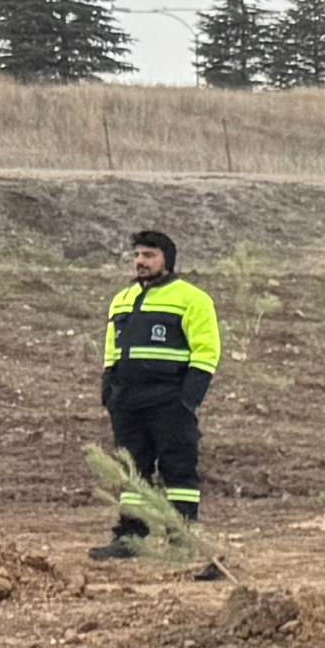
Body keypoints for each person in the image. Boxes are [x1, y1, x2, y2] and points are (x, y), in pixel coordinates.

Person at [94, 229, 225, 557]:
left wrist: (188, 399)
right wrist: (108, 390)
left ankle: (182, 542)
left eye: (149, 255)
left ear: (167, 259)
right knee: (131, 472)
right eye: (137, 255)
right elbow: (113, 348)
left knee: (178, 469)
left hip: (169, 401)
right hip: (127, 401)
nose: (140, 261)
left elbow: (206, 351)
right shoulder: (122, 299)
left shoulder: (192, 299)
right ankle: (130, 540)